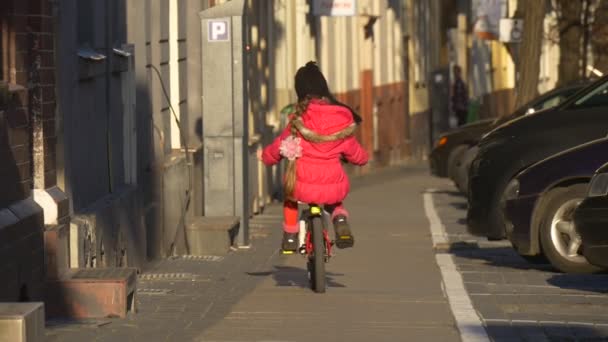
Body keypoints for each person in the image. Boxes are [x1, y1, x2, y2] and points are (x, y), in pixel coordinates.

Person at [259, 61, 369, 252]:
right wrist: (362, 159)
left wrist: (267, 157)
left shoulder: (298, 118)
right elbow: (355, 153)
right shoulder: (340, 117)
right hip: (332, 181)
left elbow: (280, 145)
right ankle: (340, 219)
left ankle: (291, 236)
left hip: (301, 182)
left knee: (290, 198)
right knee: (334, 200)